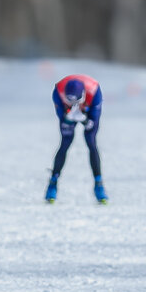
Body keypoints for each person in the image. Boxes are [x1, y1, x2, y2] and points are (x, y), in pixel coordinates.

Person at [45, 74, 108, 204]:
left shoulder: (94, 91)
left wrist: (85, 119)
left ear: (84, 95)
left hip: (88, 110)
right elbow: (61, 118)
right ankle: (53, 182)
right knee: (65, 143)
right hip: (69, 112)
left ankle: (99, 184)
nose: (75, 105)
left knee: (91, 142)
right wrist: (68, 118)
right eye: (70, 101)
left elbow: (93, 120)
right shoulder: (58, 92)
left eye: (77, 101)